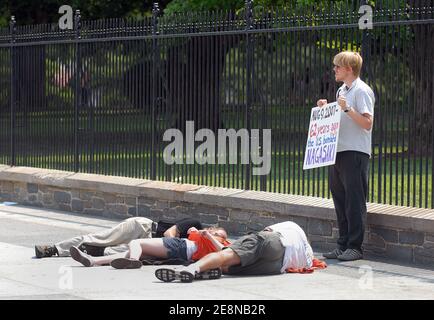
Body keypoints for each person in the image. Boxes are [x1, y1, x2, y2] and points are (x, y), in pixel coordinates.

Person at [317, 51, 375, 261]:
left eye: (337, 67)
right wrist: (326, 110)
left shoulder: (362, 91)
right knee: (340, 200)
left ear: (349, 69)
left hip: (355, 152)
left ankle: (355, 247)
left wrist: (348, 108)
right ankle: (342, 245)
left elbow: (367, 124)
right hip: (338, 151)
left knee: (354, 201)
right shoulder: (342, 90)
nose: (334, 70)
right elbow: (340, 119)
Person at [154, 221, 320, 283]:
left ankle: (192, 269)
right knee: (229, 268)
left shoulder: (291, 226)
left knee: (226, 256)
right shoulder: (308, 254)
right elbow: (307, 265)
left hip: (274, 241)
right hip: (279, 266)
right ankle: (205, 271)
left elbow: (267, 231)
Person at [69, 226, 230, 271]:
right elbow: (192, 233)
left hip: (179, 247)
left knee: (136, 243)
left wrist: (211, 236)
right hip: (180, 247)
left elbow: (222, 250)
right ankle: (93, 261)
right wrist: (194, 231)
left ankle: (132, 261)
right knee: (130, 250)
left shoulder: (222, 243)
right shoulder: (204, 235)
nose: (216, 233)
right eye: (214, 230)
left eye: (220, 233)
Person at [34, 217, 203, 258]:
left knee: (110, 253)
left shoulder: (199, 248)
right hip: (143, 229)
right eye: (218, 232)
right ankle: (53, 249)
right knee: (102, 237)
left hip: (149, 245)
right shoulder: (195, 224)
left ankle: (89, 251)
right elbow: (169, 234)